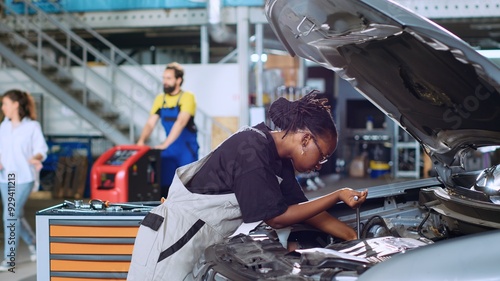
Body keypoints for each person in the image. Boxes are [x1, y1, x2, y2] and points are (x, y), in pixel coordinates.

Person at [127, 92, 368, 281]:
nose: (320, 165)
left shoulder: (278, 159)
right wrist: (337, 195)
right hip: (172, 243)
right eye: (322, 156)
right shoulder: (253, 150)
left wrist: (353, 237)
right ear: (305, 140)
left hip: (197, 242)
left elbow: (303, 209)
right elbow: (277, 218)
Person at [0, 89, 48, 272]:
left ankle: (9, 258)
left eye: (5, 103)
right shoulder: (3, 127)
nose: (3, 107)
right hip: (6, 178)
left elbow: (41, 149)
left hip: (24, 177)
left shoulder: (32, 126)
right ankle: (34, 243)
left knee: (9, 214)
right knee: (15, 214)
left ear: (15, 105)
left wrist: (35, 157)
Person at [137, 62, 199, 196]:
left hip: (186, 150)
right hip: (168, 151)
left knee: (187, 188)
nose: (165, 81)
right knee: (164, 187)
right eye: (164, 78)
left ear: (178, 80)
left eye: (169, 78)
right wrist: (141, 141)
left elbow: (181, 122)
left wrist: (165, 144)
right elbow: (150, 123)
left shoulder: (187, 97)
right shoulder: (160, 99)